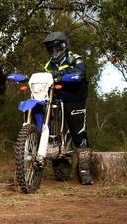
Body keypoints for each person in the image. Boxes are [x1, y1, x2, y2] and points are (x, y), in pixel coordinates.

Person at [42, 31, 93, 185]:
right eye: (50, 49)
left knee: (78, 132)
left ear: (63, 46)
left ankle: (85, 171)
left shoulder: (75, 58)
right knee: (53, 130)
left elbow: (81, 71)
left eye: (55, 48)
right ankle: (60, 164)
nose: (53, 52)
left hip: (75, 99)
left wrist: (64, 72)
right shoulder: (49, 65)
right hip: (56, 98)